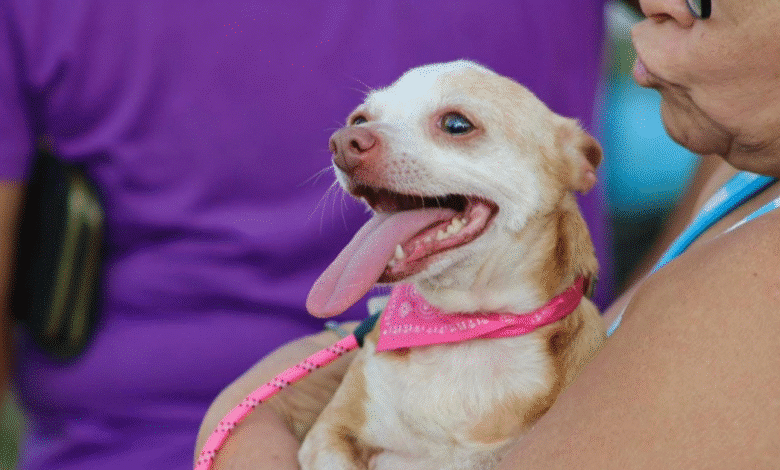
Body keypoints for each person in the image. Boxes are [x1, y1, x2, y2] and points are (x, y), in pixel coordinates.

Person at [0, 1, 611, 469]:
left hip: (579, 415)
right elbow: (706, 46)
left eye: (456, 125)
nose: (353, 145)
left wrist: (659, 318)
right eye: (361, 123)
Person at [199, 0, 780, 468]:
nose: (651, 6)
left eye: (456, 127)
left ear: (575, 166)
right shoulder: (741, 173)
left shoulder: (750, 295)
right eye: (361, 123)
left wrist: (239, 419)